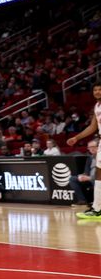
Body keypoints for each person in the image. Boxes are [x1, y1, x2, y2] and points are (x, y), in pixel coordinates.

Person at [67, 82, 101, 220]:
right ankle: (97, 208)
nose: (97, 92)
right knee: (99, 175)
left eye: (100, 89)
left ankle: (98, 208)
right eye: (95, 90)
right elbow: (93, 127)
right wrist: (76, 137)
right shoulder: (97, 106)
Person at [68, 139, 97, 206]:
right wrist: (82, 176)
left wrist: (90, 178)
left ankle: (97, 201)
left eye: (93, 146)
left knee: (96, 181)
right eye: (89, 147)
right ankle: (82, 200)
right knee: (72, 179)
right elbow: (86, 171)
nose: (91, 149)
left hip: (97, 178)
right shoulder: (90, 158)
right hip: (90, 178)